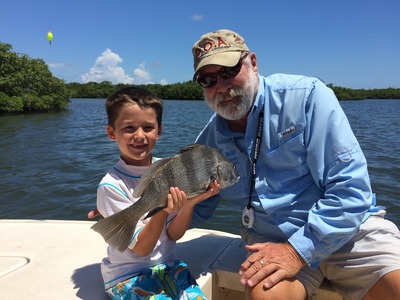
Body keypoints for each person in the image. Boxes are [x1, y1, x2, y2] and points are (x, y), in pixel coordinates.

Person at [189, 29, 400, 300]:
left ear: (253, 62)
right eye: (208, 79)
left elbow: (352, 190)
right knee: (263, 292)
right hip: (271, 242)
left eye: (229, 71)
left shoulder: (307, 97)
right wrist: (145, 215)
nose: (221, 86)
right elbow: (194, 209)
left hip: (349, 232)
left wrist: (296, 251)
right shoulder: (207, 142)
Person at [94, 86, 219, 299]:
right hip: (127, 276)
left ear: (159, 131)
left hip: (168, 266)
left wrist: (189, 204)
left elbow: (174, 234)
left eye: (148, 127)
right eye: (129, 128)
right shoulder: (111, 185)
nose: (139, 135)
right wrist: (161, 209)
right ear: (111, 133)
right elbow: (142, 249)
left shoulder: (168, 168)